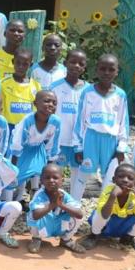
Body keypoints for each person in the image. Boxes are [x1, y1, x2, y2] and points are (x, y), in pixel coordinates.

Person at [73, 54, 129, 200]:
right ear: (96, 70)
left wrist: (121, 147)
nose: (106, 73)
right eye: (102, 69)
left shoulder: (120, 95)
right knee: (83, 175)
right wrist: (78, 147)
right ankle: (72, 209)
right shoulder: (88, 92)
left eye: (111, 69)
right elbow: (80, 121)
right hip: (91, 139)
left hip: (111, 141)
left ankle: (103, 214)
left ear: (117, 72)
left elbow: (123, 123)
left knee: (109, 177)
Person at [49, 49, 89, 199]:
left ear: (85, 67)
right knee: (55, 175)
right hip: (59, 141)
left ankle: (74, 204)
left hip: (79, 143)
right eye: (73, 62)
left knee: (78, 177)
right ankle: (53, 205)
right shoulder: (55, 87)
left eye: (81, 63)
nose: (76, 66)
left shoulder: (89, 90)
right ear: (65, 63)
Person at [80, 164, 135, 252]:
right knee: (99, 212)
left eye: (130, 178)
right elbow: (104, 215)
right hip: (106, 227)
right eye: (121, 177)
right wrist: (113, 195)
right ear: (114, 179)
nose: (125, 180)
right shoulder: (108, 191)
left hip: (121, 228)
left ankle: (128, 238)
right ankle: (94, 235)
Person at [10, 91, 61, 206]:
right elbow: (17, 145)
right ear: (35, 104)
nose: (51, 104)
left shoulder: (56, 122)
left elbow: (53, 145)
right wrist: (13, 169)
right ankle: (12, 201)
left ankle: (37, 201)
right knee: (16, 178)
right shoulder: (27, 120)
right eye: (47, 101)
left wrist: (50, 165)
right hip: (21, 152)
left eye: (54, 102)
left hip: (38, 149)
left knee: (42, 173)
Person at [26, 163, 85, 254]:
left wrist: (61, 205)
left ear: (62, 180)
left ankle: (66, 240)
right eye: (47, 177)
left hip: (60, 227)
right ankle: (36, 238)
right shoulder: (39, 195)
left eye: (55, 177)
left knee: (76, 214)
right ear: (41, 180)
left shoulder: (64, 195)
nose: (51, 180)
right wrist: (53, 204)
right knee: (31, 214)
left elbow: (79, 215)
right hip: (44, 228)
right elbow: (35, 216)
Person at [0, 49, 41, 130]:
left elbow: (38, 109)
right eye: (18, 63)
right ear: (13, 62)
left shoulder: (36, 86)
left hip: (28, 127)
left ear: (31, 64)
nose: (20, 67)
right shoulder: (3, 83)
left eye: (25, 64)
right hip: (8, 126)